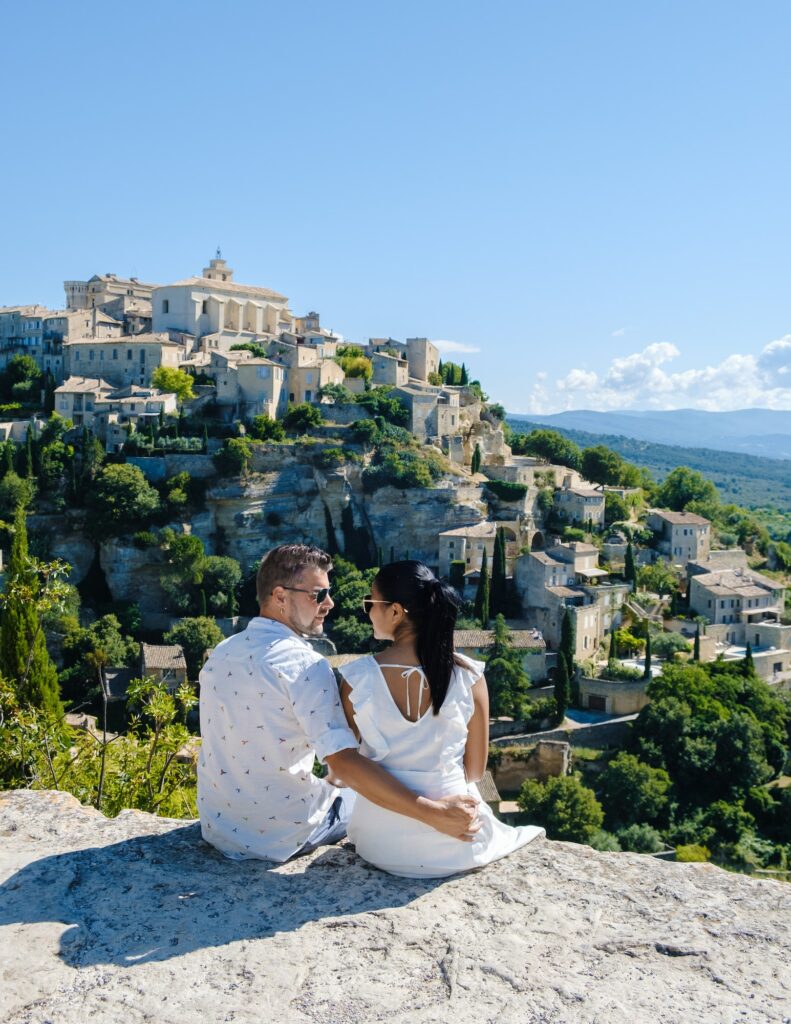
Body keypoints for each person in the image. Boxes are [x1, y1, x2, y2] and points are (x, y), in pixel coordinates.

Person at [197, 544, 480, 863]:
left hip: (218, 825)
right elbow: (344, 763)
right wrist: (434, 813)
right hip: (279, 836)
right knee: (368, 797)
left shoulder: (221, 651)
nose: (329, 604)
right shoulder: (304, 666)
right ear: (280, 596)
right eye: (317, 595)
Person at [338, 560, 544, 878]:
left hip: (378, 843)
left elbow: (350, 766)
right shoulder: (469, 676)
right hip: (459, 841)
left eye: (370, 602)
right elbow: (474, 771)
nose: (367, 611)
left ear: (395, 611)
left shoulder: (355, 678)